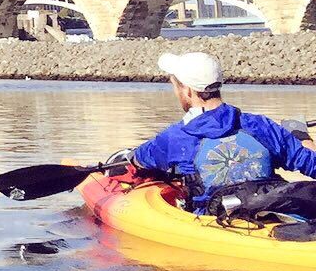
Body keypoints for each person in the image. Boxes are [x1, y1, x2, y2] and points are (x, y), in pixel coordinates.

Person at [126, 50, 316, 228]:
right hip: (273, 212)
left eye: (175, 86)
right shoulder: (261, 125)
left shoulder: (174, 137)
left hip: (217, 222)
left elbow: (140, 160)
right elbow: (309, 161)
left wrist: (129, 158)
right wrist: (300, 136)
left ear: (187, 91)